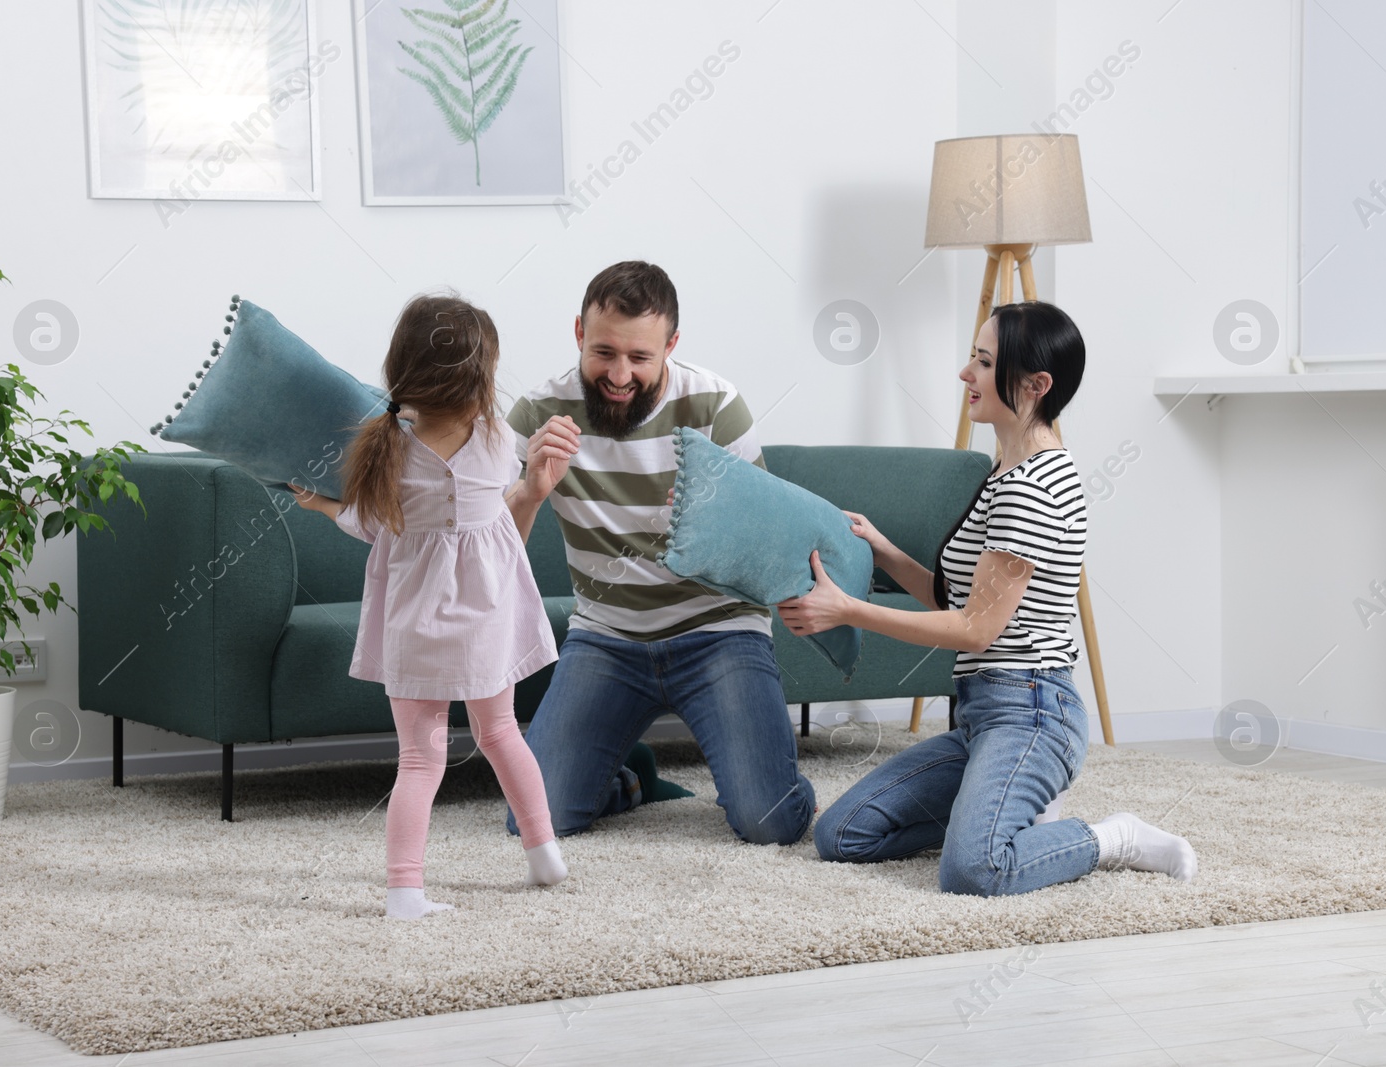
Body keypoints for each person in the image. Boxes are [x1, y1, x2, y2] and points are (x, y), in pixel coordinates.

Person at [778, 300, 1197, 896]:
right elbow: (952, 597)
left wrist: (848, 610)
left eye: (981, 361)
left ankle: (1113, 838)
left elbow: (976, 631)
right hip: (982, 714)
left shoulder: (1033, 489)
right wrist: (882, 546)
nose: (964, 374)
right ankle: (1001, 821)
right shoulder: (1004, 473)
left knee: (975, 871)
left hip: (1031, 712)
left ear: (1035, 385)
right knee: (842, 835)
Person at [502, 261, 815, 845]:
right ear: (577, 333)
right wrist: (528, 491)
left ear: (671, 345)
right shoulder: (538, 412)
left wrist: (710, 518)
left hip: (719, 631)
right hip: (607, 637)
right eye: (604, 352)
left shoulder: (715, 405)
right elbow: (491, 557)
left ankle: (778, 780)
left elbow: (770, 542)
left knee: (767, 822)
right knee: (532, 819)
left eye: (640, 358)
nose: (620, 375)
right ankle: (630, 779)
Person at [291, 294, 567, 919]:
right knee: (501, 734)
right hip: (486, 624)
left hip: (413, 627)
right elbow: (501, 528)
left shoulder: (384, 450)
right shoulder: (500, 444)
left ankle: (405, 890)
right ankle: (544, 851)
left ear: (401, 372)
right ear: (483, 381)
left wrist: (325, 506)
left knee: (419, 758)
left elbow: (369, 527)